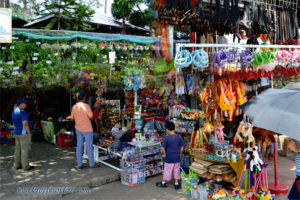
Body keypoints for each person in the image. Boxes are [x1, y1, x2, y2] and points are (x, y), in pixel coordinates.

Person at [71, 91, 99, 169]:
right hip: (87, 129)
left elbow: (72, 118)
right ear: (84, 98)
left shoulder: (74, 106)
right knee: (89, 146)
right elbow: (91, 116)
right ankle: (91, 164)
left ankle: (80, 164)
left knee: (79, 146)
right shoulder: (86, 106)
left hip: (78, 128)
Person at [156, 121, 184, 189]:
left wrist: (164, 154)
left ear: (167, 130)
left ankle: (164, 182)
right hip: (177, 157)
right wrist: (180, 153)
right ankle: (176, 183)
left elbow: (163, 147)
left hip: (169, 158)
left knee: (167, 170)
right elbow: (182, 146)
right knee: (176, 170)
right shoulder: (179, 137)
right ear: (174, 128)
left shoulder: (167, 138)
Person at [11, 98, 34, 171]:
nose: (26, 105)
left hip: (16, 132)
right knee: (24, 150)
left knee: (17, 149)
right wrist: (29, 133)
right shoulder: (22, 112)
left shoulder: (14, 112)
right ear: (21, 104)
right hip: (23, 133)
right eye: (25, 104)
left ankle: (17, 165)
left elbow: (14, 123)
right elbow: (25, 123)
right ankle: (25, 166)